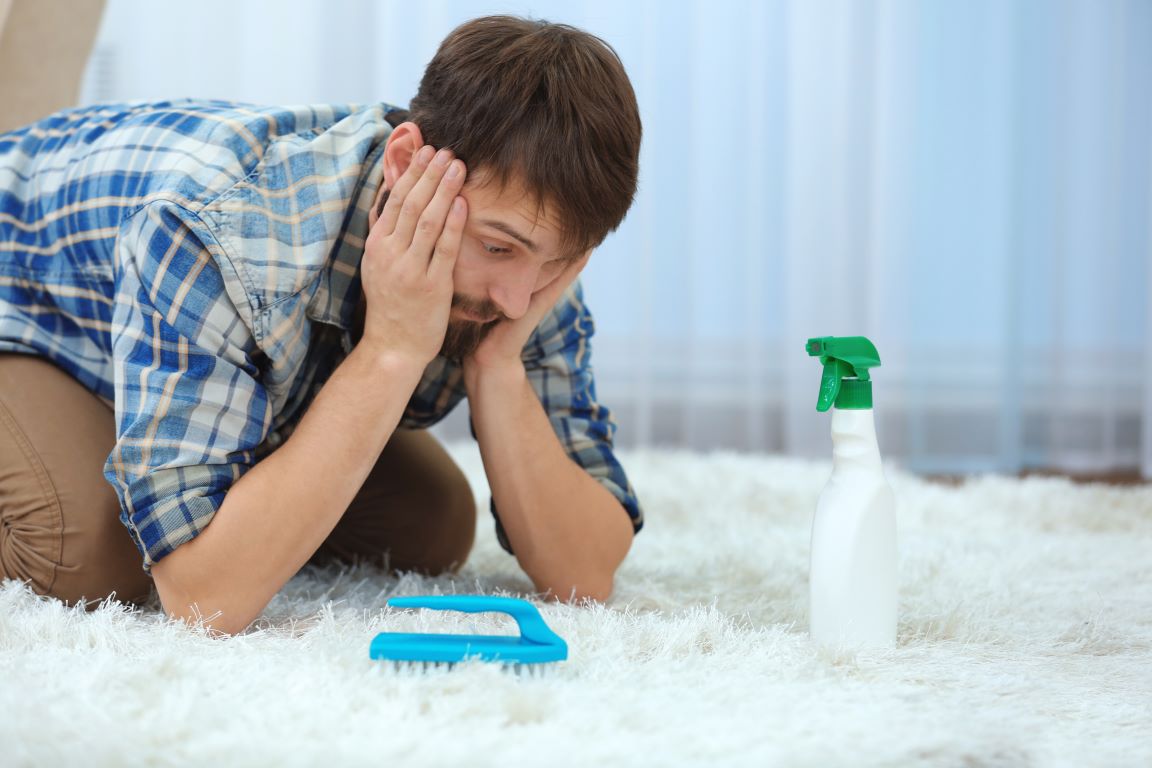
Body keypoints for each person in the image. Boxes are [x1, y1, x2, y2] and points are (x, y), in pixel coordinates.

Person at [0, 15, 644, 634]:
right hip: (25, 296)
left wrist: (497, 367)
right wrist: (391, 350)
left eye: (556, 260)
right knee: (83, 552)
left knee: (429, 524)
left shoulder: (523, 268)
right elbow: (201, 600)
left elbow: (584, 573)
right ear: (405, 165)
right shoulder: (224, 233)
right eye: (497, 247)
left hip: (162, 316)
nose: (517, 299)